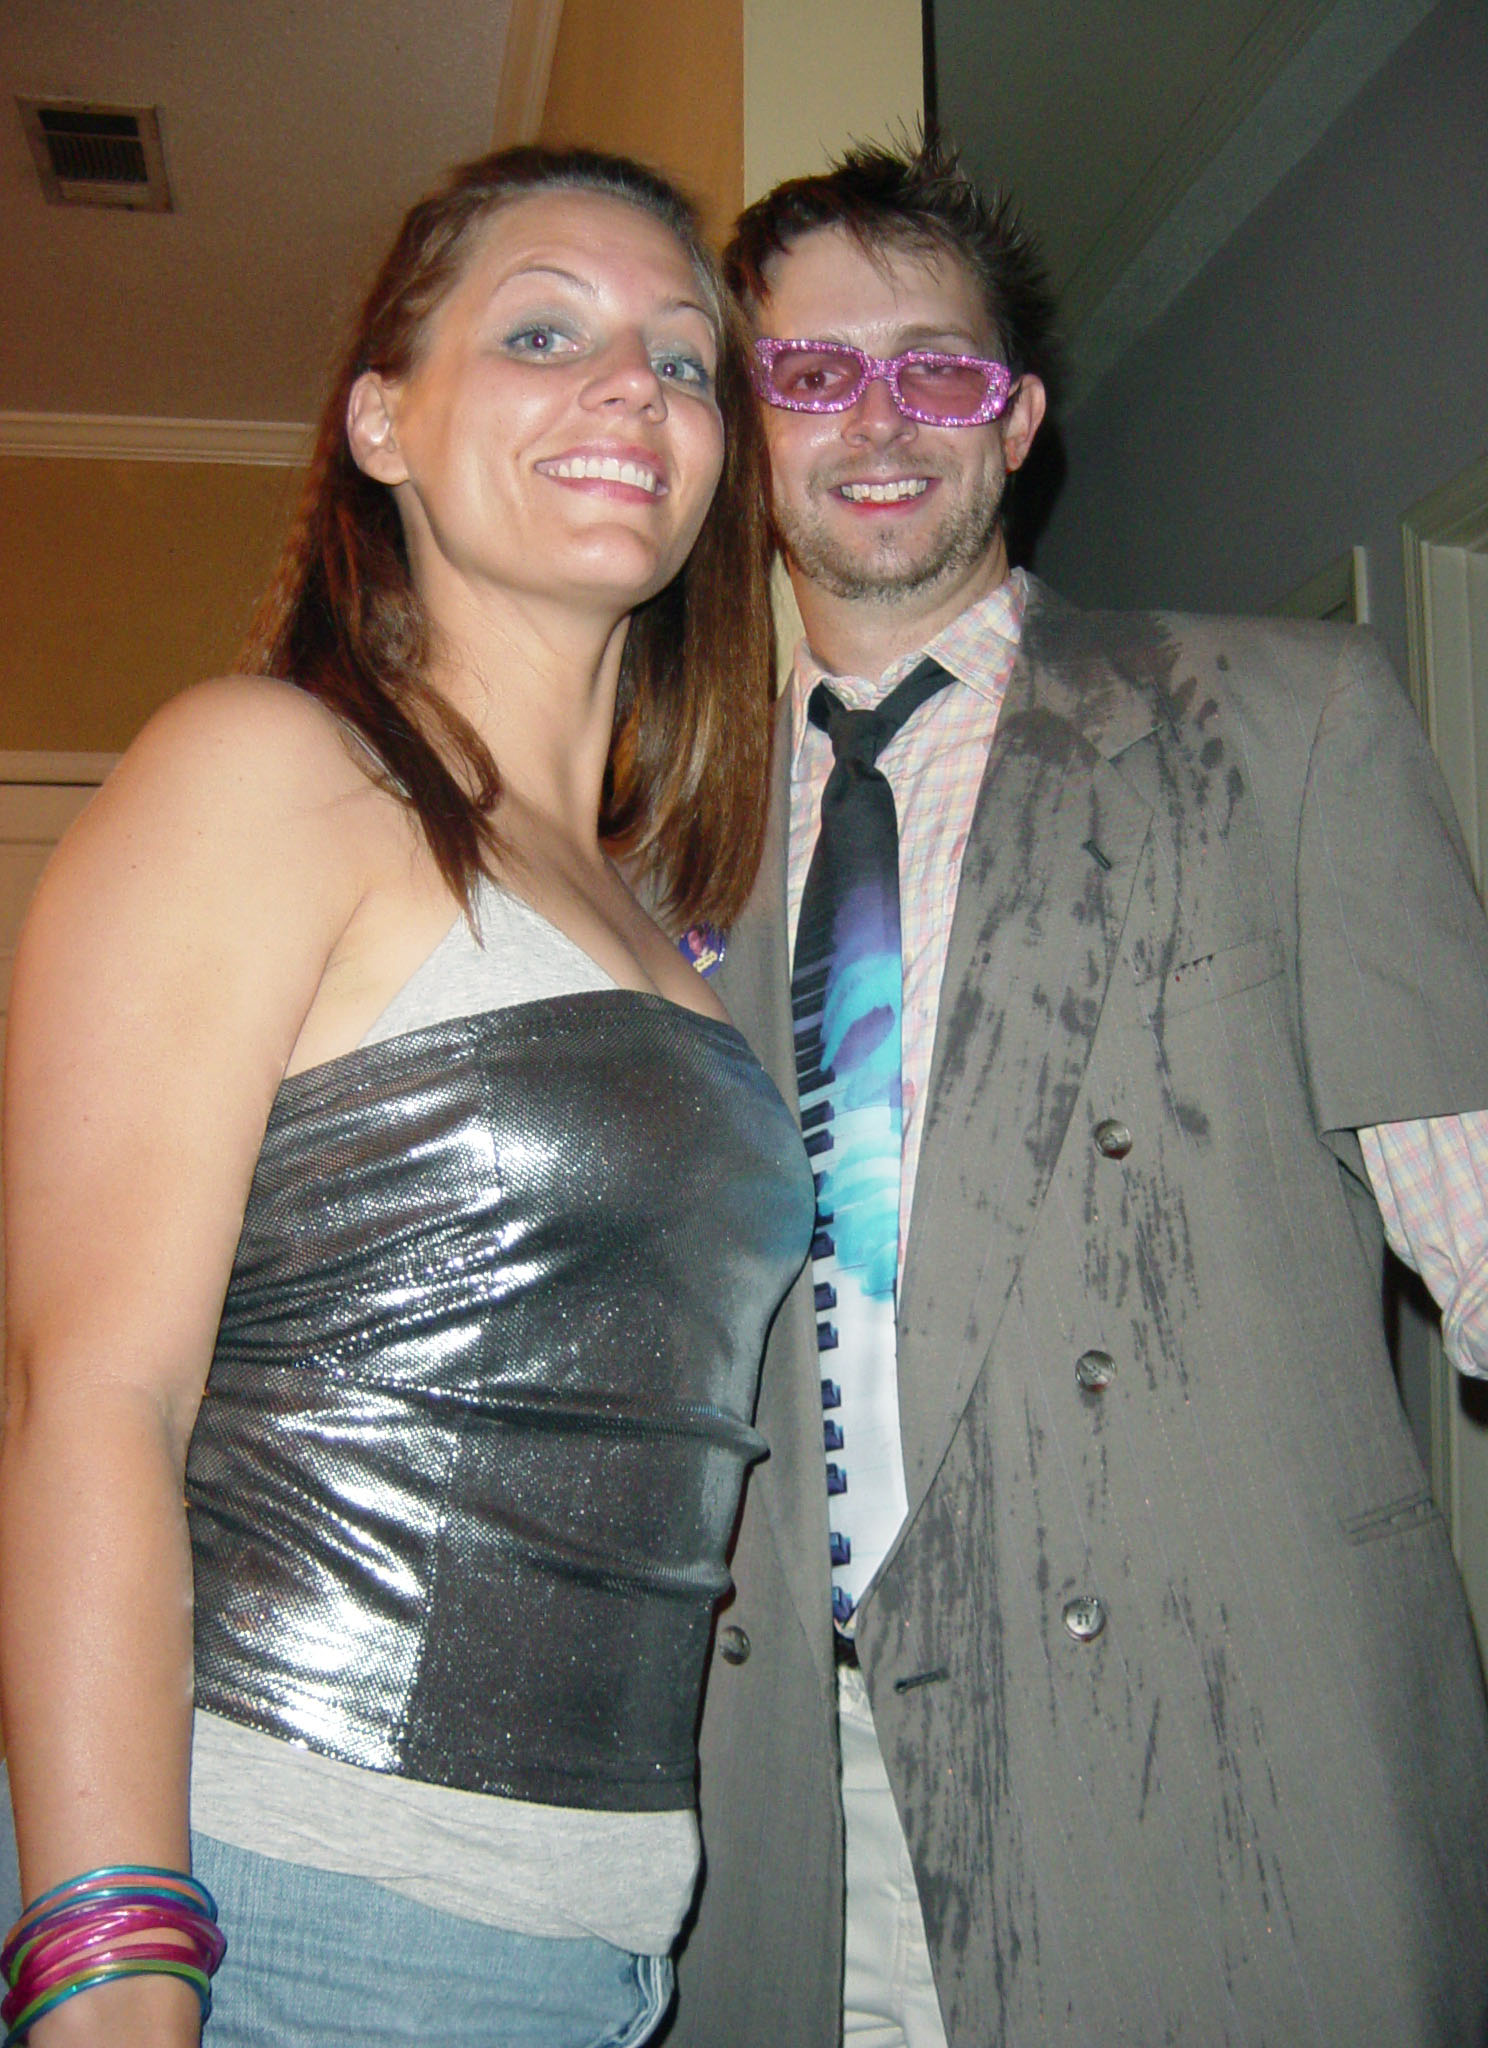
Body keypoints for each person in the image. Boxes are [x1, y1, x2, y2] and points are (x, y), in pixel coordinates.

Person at [664, 138, 1488, 2048]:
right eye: (811, 371)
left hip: (1218, 1772)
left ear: (1018, 419)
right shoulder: (646, 840)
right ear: (745, 427)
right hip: (778, 1821)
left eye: (937, 370)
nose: (877, 420)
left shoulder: (1286, 723)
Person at [0, 143, 812, 2048]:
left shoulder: (652, 911)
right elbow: (88, 1399)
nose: (633, 390)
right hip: (279, 1907)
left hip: (604, 1939)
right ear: (383, 421)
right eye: (542, 333)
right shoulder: (268, 771)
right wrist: (109, 1968)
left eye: (682, 360)